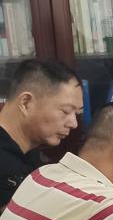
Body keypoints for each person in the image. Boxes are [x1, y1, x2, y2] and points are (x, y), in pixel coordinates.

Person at [0, 58, 82, 208]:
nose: (74, 124)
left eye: (77, 113)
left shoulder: (31, 153)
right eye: (66, 111)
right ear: (26, 103)